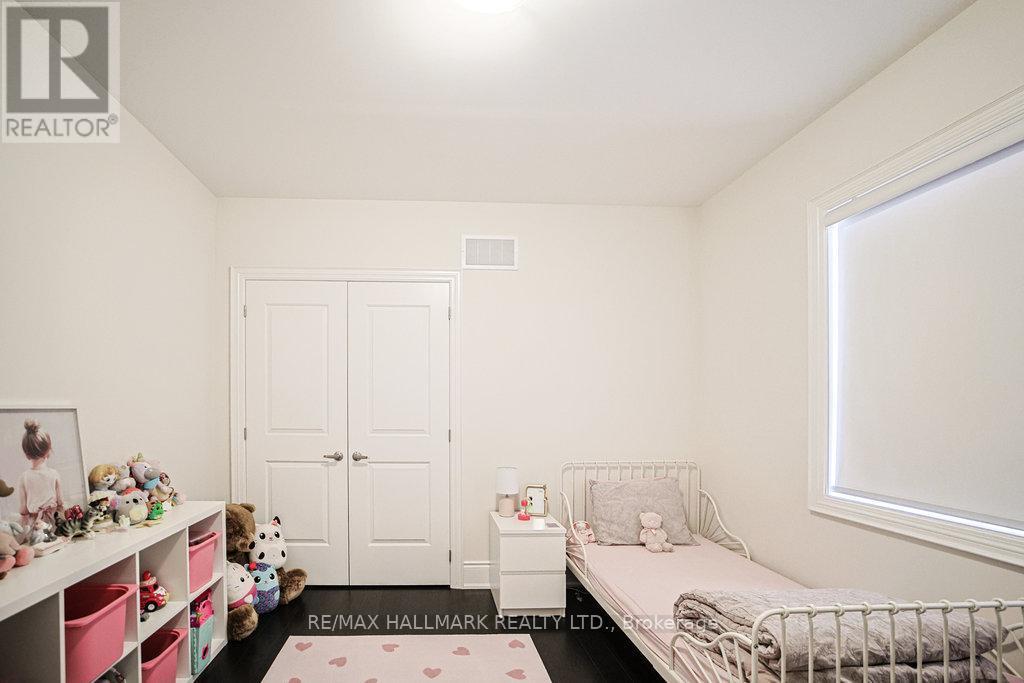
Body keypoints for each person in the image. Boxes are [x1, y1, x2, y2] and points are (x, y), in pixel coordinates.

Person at [18, 419, 64, 528]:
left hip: (34, 526)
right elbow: (61, 502)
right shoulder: (54, 474)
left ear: (26, 454)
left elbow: (23, 510)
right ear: (48, 450)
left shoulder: (24, 477)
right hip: (53, 524)